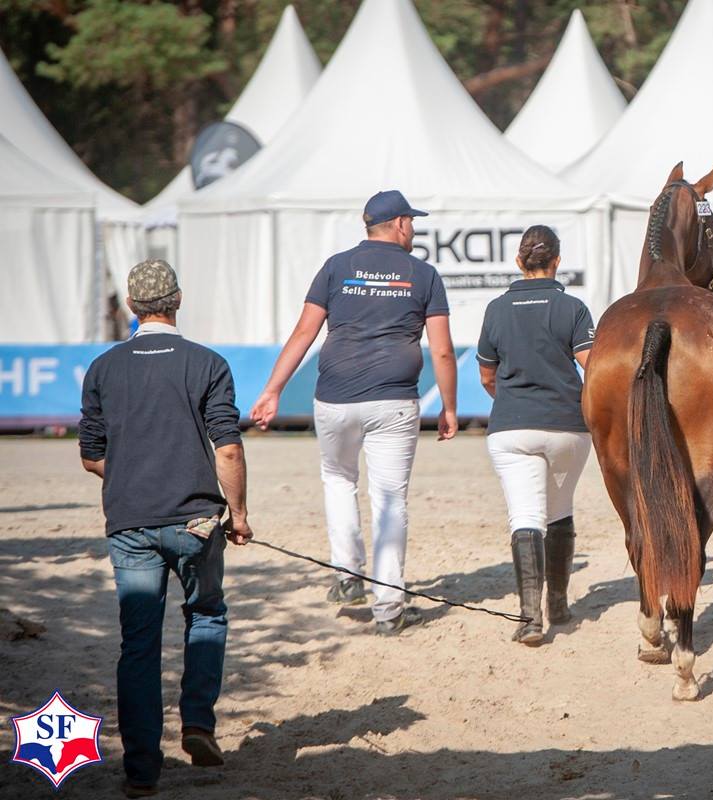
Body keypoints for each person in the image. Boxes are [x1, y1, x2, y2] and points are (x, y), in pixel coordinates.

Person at [78, 259, 253, 799]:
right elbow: (227, 448)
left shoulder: (103, 368)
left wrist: (134, 475)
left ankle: (141, 770)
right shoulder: (208, 363)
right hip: (196, 520)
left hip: (130, 522)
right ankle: (197, 721)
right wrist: (239, 514)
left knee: (138, 643)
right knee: (206, 614)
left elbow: (91, 456)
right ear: (178, 300)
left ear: (132, 306)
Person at [250, 190, 457, 635]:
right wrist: (449, 406)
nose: (414, 229)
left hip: (335, 397)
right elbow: (442, 350)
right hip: (394, 400)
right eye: (412, 222)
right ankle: (389, 609)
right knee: (389, 500)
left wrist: (273, 390)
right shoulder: (424, 274)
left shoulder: (336, 266)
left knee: (339, 479)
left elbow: (304, 332)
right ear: (399, 224)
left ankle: (347, 575)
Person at [477, 226, 594, 645]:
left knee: (525, 517)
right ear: (557, 261)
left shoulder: (496, 309)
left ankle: (530, 619)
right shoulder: (573, 307)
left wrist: (514, 401)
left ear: (518, 262)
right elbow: (592, 365)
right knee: (559, 510)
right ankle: (558, 605)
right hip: (568, 426)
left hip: (513, 427)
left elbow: (487, 375)